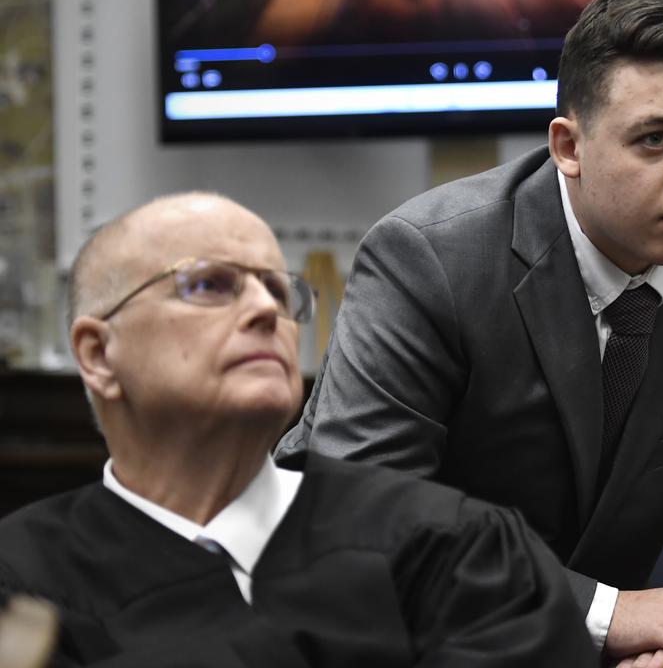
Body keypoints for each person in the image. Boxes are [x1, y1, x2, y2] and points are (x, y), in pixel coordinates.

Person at [276, 0, 663, 667]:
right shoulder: (431, 258)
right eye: (656, 139)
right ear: (568, 145)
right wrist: (606, 611)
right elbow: (362, 518)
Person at [0, 193, 594, 667]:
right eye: (209, 285)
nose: (267, 311)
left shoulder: (458, 550)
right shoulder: (19, 584)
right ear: (99, 354)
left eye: (278, 290)